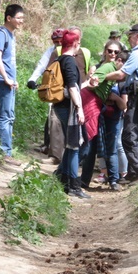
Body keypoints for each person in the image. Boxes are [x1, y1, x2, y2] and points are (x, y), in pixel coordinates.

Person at [102, 23, 138, 182]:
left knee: (129, 136)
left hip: (136, 97)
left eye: (130, 36)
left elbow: (121, 74)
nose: (129, 40)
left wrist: (102, 76)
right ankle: (134, 172)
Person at [79, 46, 128, 191]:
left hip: (113, 116)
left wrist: (114, 97)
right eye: (110, 51)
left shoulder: (122, 77)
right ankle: (84, 181)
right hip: (97, 113)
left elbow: (124, 104)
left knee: (112, 148)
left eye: (116, 51)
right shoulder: (101, 69)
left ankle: (113, 181)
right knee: (91, 148)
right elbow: (90, 86)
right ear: (106, 51)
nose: (113, 54)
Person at [51, 30, 92, 199]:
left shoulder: (61, 59)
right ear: (75, 44)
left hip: (63, 106)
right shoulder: (69, 61)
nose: (79, 47)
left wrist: (88, 83)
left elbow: (74, 85)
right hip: (68, 108)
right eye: (79, 43)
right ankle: (74, 187)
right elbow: (72, 88)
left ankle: (62, 179)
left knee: (72, 146)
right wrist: (79, 108)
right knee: (75, 146)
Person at [0, 4, 24, 166]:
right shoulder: (2, 34)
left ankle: (6, 152)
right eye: (18, 18)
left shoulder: (10, 34)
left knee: (9, 117)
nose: (21, 21)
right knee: (5, 117)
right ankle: (3, 153)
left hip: (8, 83)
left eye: (22, 18)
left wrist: (11, 79)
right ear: (8, 18)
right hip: (1, 82)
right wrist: (6, 78)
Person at [26, 28, 65, 154]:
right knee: (51, 116)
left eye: (60, 41)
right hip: (53, 88)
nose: (58, 44)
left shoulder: (71, 51)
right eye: (56, 42)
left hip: (67, 87)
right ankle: (48, 145)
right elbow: (42, 65)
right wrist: (32, 79)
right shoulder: (51, 51)